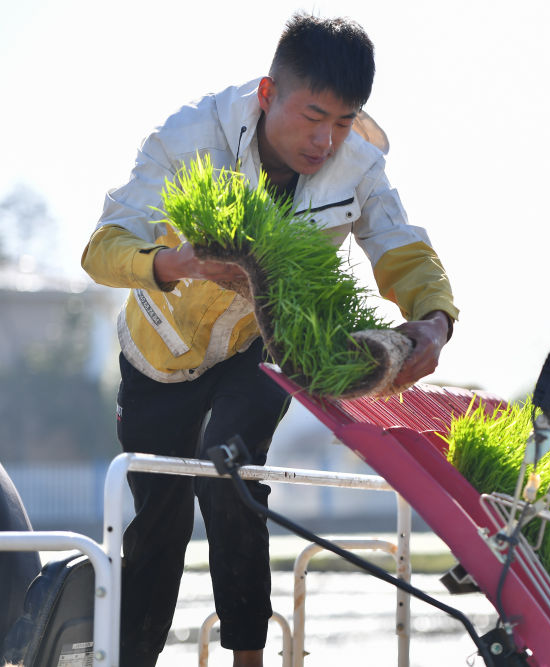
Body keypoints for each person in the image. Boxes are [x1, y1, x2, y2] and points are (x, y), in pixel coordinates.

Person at [80, 13, 458, 667]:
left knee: (231, 471)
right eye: (313, 116)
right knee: (158, 522)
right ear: (267, 94)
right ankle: (129, 657)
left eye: (343, 121)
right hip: (159, 354)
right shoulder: (189, 137)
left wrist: (434, 317)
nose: (326, 139)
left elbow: (401, 244)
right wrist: (178, 262)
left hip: (261, 348)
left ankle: (250, 659)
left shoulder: (359, 166)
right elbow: (102, 248)